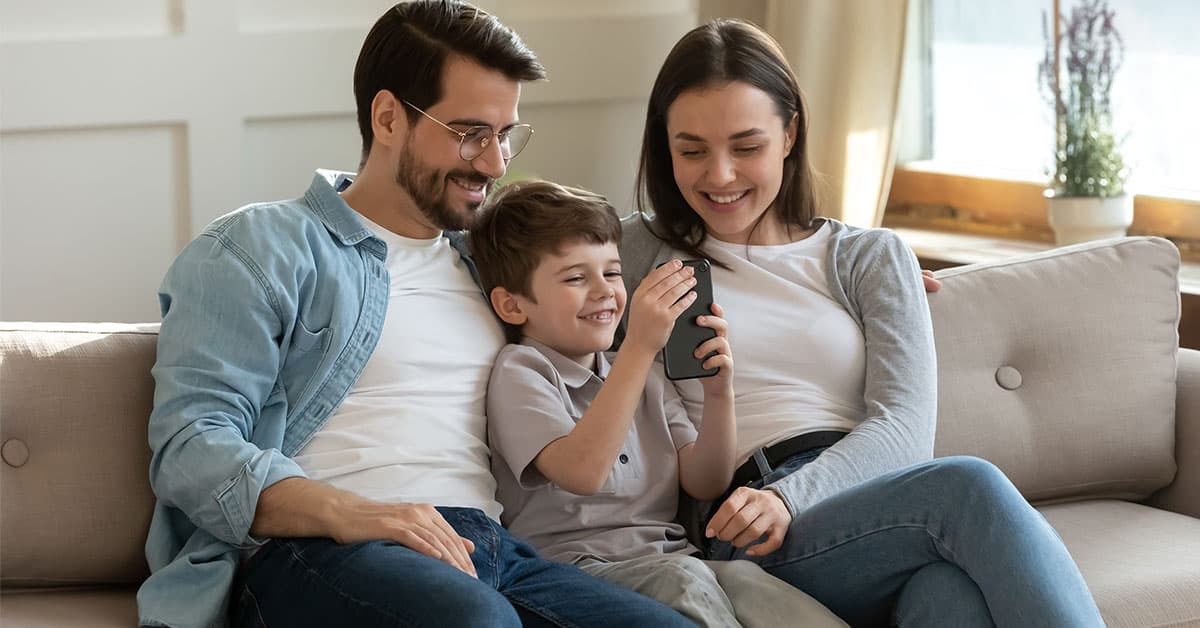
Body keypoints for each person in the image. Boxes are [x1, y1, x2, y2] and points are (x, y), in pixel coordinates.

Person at [138, 2, 694, 626]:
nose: (495, 163)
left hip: (489, 549)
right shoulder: (258, 248)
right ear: (387, 118)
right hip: (320, 550)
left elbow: (599, 294)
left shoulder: (493, 267)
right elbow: (191, 444)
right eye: (470, 133)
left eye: (506, 133)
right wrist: (353, 513)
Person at [617, 18, 1106, 627]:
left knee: (947, 596)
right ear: (665, 145)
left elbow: (904, 426)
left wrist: (791, 496)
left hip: (867, 501)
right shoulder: (636, 252)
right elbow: (504, 253)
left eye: (747, 147)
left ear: (790, 133)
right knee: (969, 487)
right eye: (692, 150)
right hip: (747, 522)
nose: (719, 176)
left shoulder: (868, 258)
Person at [468, 180, 845, 627]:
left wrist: (719, 392)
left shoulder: (642, 373)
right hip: (578, 571)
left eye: (611, 272)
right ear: (512, 306)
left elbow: (705, 481)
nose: (604, 290)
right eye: (575, 277)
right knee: (685, 578)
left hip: (676, 560)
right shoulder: (523, 371)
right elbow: (582, 472)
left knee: (757, 587)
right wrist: (639, 348)